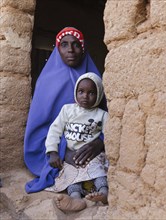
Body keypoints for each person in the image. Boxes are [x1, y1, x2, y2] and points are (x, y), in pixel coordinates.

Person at [24, 27, 107, 193]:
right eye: (64, 45)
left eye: (76, 45)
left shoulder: (93, 81)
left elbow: (106, 120)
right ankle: (76, 193)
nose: (70, 50)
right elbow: (40, 129)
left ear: (83, 49)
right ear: (57, 48)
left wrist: (99, 143)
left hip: (89, 145)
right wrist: (62, 150)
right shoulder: (46, 81)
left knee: (100, 169)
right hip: (57, 147)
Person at [45, 72, 109, 211]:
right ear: (75, 92)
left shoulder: (102, 115)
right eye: (81, 91)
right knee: (70, 176)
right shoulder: (67, 110)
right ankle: (75, 199)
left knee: (98, 171)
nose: (85, 96)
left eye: (91, 93)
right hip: (72, 156)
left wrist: (100, 145)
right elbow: (54, 130)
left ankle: (104, 193)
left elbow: (108, 134)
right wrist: (53, 152)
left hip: (93, 156)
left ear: (98, 95)